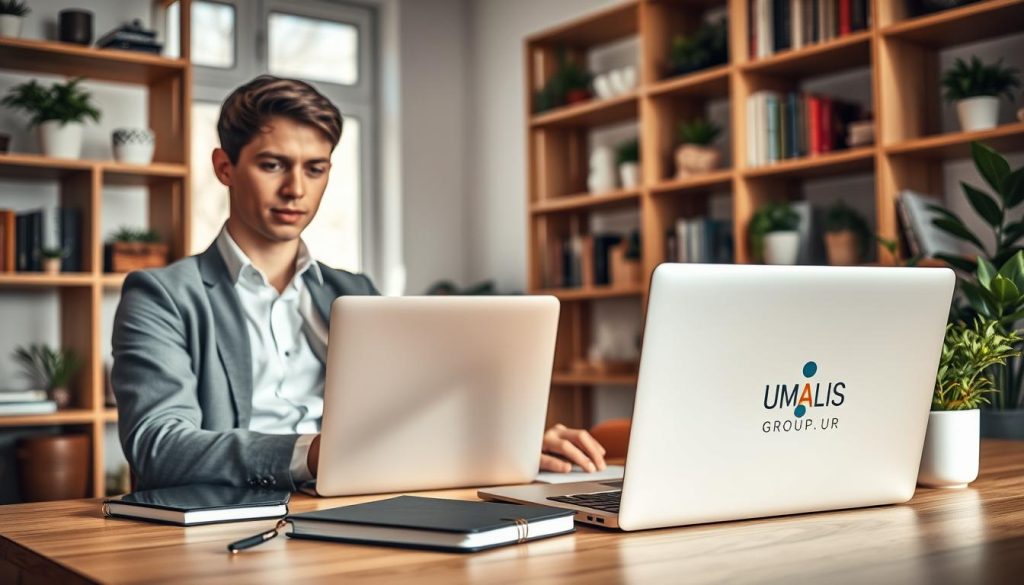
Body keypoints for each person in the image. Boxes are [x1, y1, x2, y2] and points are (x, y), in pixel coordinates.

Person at [112, 75, 607, 491]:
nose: (296, 189)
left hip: (357, 503)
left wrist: (510, 439)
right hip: (231, 520)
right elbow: (160, 446)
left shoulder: (354, 293)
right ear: (226, 168)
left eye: (315, 168)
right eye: (272, 164)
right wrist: (312, 454)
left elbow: (419, 407)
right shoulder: (163, 295)